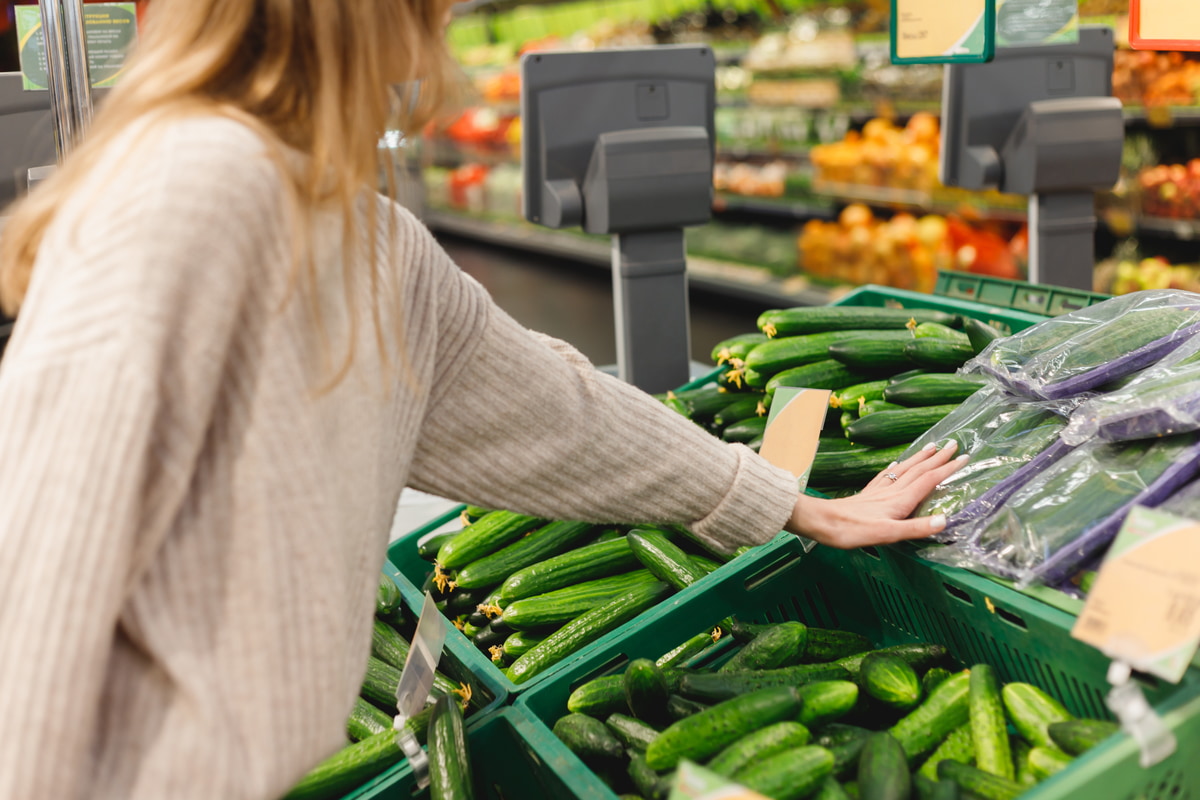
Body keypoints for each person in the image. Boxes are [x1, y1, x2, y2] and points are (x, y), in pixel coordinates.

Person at [0, 1, 965, 798]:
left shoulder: (364, 236)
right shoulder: (187, 196)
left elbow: (559, 412)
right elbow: (34, 606)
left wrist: (792, 503)